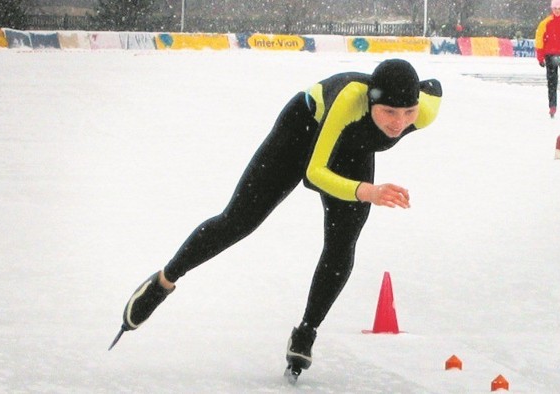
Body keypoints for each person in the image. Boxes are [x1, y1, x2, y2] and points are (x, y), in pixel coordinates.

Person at [109, 58, 443, 380]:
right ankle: (163, 281)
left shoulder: (423, 112)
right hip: (300, 132)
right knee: (238, 221)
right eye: (388, 112)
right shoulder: (349, 99)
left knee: (342, 243)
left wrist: (361, 187)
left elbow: (434, 89)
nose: (398, 123)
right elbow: (314, 174)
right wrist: (365, 191)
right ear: (371, 101)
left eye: (407, 112)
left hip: (352, 150)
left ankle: (306, 333)